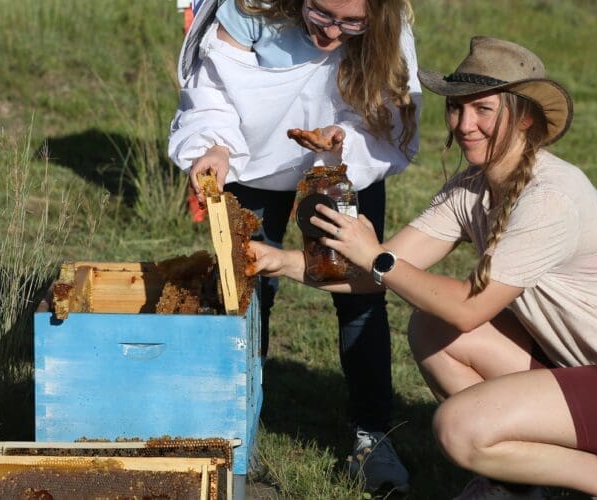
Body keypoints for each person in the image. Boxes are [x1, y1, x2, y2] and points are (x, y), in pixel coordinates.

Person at [246, 36, 597, 498]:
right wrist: (281, 261)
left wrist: (376, 257)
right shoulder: (473, 187)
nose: (464, 124)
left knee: (459, 428)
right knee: (431, 327)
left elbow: (461, 306)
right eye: (457, 109)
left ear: (524, 117)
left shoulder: (551, 199)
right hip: (575, 368)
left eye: (482, 109)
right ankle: (515, 484)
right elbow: (381, 271)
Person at [167, 0, 421, 493]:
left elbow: (390, 119)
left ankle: (373, 435)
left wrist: (342, 137)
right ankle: (236, 429)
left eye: (351, 24)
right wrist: (214, 144)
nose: (331, 35)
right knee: (246, 286)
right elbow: (211, 90)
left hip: (343, 166)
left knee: (359, 289)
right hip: (250, 162)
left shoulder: (388, 29)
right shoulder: (249, 10)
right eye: (322, 15)